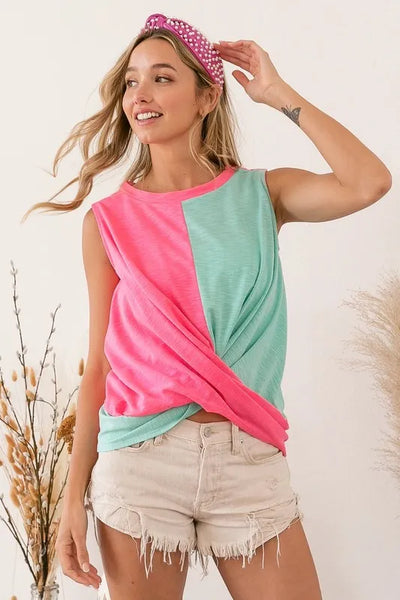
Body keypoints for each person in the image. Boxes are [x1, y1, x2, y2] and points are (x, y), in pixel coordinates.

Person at [23, 12, 391, 599]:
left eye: (163, 77)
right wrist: (73, 498)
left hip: (248, 455)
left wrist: (278, 94)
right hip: (140, 460)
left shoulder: (262, 194)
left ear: (207, 97)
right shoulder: (108, 222)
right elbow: (101, 365)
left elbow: (368, 182)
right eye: (132, 81)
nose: (140, 94)